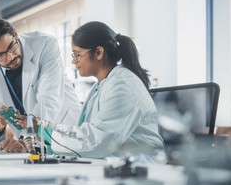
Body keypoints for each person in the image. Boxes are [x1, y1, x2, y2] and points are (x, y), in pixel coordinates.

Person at [49, 21, 165, 162]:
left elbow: (98, 140)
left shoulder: (122, 86)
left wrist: (49, 132)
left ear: (98, 52)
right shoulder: (102, 85)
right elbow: (90, 134)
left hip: (142, 169)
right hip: (119, 165)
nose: (74, 62)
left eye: (77, 55)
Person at [0, 15, 81, 152]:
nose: (11, 56)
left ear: (15, 33)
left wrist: (24, 139)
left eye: (12, 46)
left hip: (62, 130)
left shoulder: (44, 44)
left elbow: (48, 99)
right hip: (29, 144)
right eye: (1, 55)